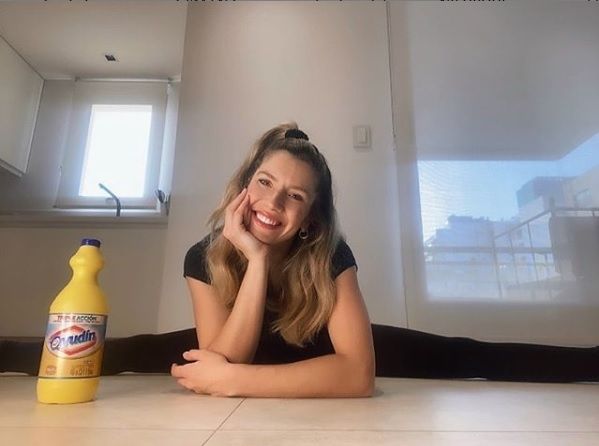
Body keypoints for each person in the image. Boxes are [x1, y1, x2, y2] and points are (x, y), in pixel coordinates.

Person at [1, 122, 598, 397]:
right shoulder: (202, 256)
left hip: (321, 349)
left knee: (467, 355)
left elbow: (355, 375)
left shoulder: (329, 252)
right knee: (132, 351)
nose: (272, 203)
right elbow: (223, 355)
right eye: (264, 183)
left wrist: (237, 381)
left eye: (294, 196)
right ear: (244, 187)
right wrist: (256, 262)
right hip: (244, 343)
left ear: (310, 218)